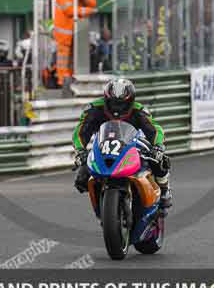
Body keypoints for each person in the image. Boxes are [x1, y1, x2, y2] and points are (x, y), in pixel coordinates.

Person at [71, 78, 172, 215]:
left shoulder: (139, 110)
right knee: (81, 178)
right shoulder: (94, 109)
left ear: (131, 101)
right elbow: (80, 132)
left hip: (134, 145)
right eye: (113, 103)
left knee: (159, 160)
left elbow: (155, 130)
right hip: (104, 148)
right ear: (106, 99)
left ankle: (164, 190)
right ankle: (101, 203)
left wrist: (158, 146)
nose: (117, 109)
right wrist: (80, 151)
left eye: (122, 104)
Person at [53, 0, 97, 87]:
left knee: (75, 59)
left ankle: (75, 81)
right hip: (64, 33)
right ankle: (63, 83)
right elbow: (70, 11)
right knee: (63, 60)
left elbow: (92, 3)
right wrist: (88, 11)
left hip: (78, 31)